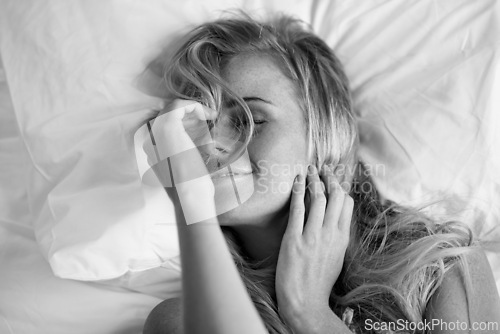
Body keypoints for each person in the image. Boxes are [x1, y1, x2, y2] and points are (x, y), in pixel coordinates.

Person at [142, 13, 500, 334]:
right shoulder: (182, 321)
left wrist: (308, 312)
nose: (211, 144)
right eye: (199, 127)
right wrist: (191, 201)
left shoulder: (443, 268)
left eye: (250, 120)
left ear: (324, 137)